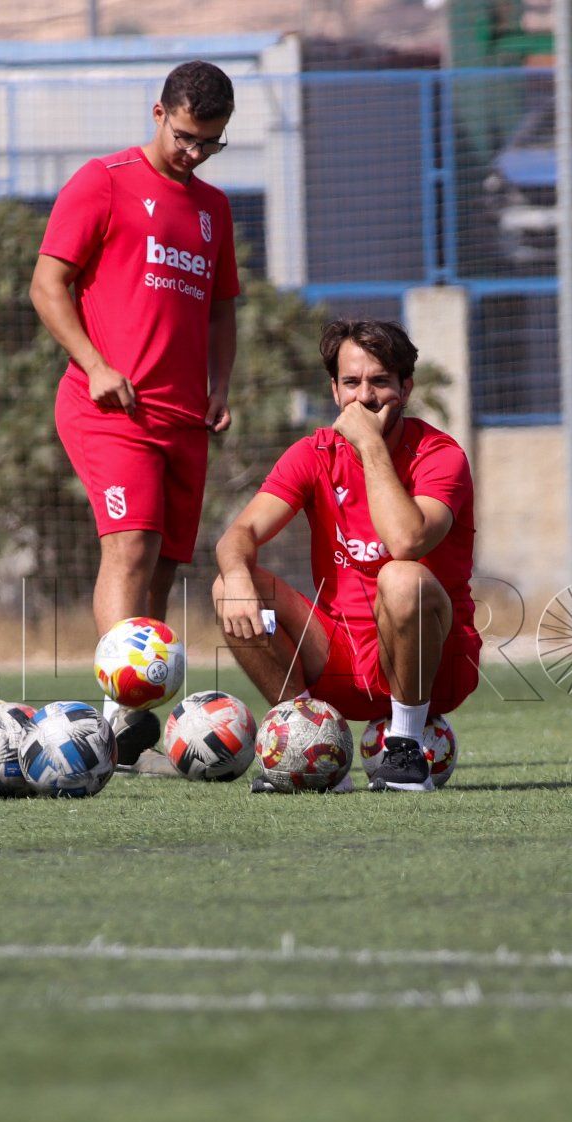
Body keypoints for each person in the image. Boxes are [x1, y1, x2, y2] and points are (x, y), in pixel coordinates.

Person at [30, 60, 240, 766]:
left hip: (186, 418)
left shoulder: (213, 208)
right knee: (130, 545)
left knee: (164, 569)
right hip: (109, 409)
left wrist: (219, 385)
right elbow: (47, 284)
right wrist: (95, 365)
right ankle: (116, 720)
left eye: (210, 143)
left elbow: (222, 308)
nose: (194, 153)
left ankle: (131, 722)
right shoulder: (104, 181)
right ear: (157, 113)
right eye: (185, 137)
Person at [214, 319, 481, 793]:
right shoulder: (313, 453)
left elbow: (406, 541)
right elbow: (241, 533)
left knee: (401, 577)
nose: (364, 397)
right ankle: (306, 743)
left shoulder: (442, 456)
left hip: (434, 664)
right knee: (229, 585)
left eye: (379, 381)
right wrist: (235, 575)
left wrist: (370, 446)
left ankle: (403, 747)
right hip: (340, 660)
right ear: (334, 391)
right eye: (352, 382)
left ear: (406, 387)